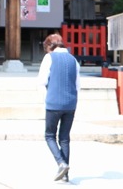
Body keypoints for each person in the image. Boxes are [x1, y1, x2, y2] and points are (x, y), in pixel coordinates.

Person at [38, 33, 80, 182]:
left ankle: (61, 163)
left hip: (53, 103)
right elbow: (77, 85)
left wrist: (46, 100)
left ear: (50, 47)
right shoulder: (73, 60)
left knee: (49, 135)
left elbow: (42, 82)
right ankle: (66, 174)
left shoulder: (49, 58)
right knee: (64, 138)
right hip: (71, 103)